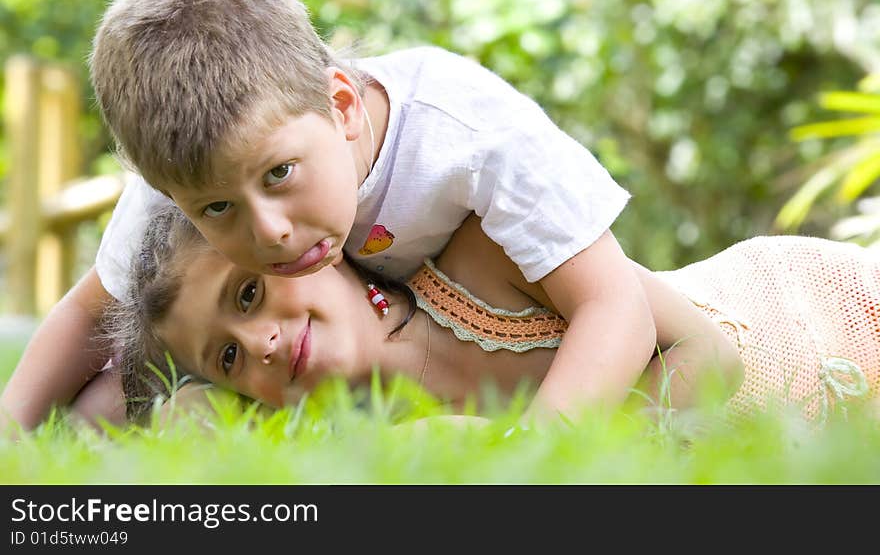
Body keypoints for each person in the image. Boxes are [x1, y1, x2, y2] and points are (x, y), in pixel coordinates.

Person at [1, 0, 658, 430]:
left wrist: (530, 452)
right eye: (219, 209)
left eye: (280, 174)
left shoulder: (468, 136)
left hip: (463, 320)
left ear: (341, 104)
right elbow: (90, 314)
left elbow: (614, 304)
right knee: (110, 398)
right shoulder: (182, 175)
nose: (270, 231)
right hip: (297, 349)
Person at [116, 205, 879, 426]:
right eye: (226, 359)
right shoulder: (369, 447)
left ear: (304, 248)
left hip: (804, 305)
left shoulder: (480, 253)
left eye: (248, 294)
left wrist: (532, 455)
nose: (260, 344)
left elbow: (710, 354)